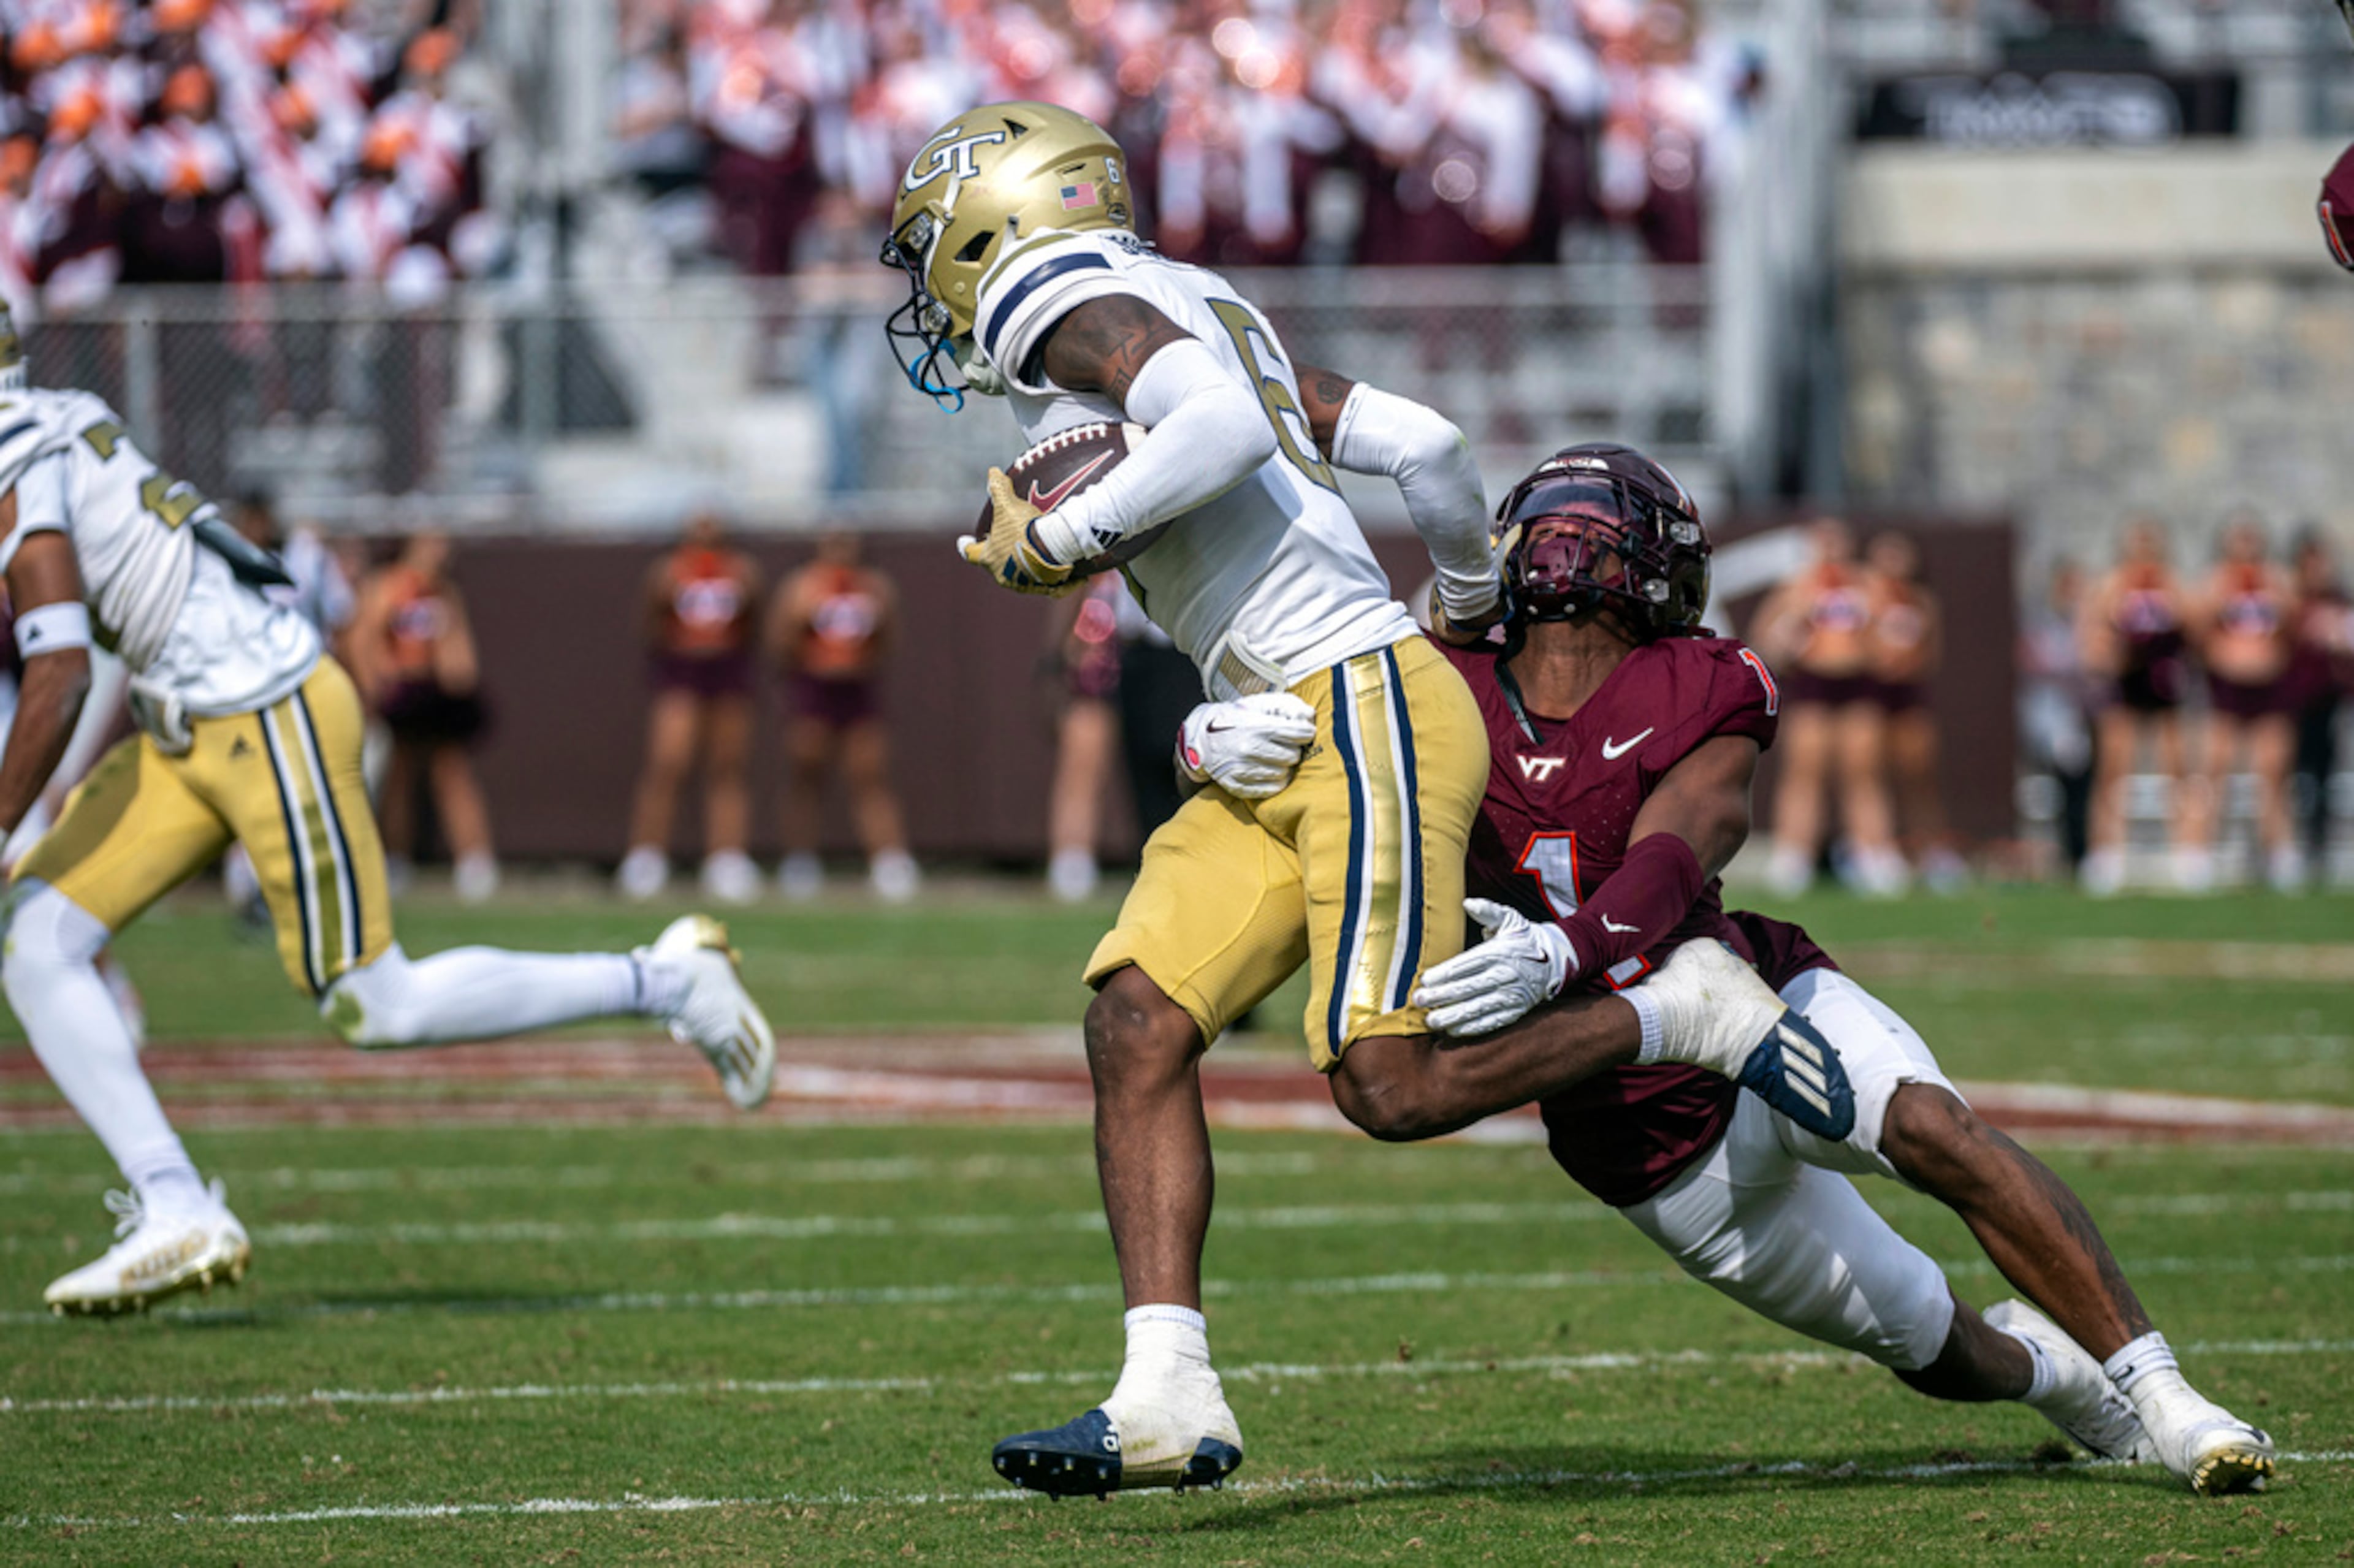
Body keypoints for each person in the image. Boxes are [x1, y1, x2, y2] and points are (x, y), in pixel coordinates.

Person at [882, 101, 1856, 1498]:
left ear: (1004, 221)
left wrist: (1067, 539)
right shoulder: (1199, 294)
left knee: (1385, 1089)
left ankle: (1672, 1008)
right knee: (1137, 1014)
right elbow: (1431, 446)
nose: (937, 283)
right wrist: (1458, 604)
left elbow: (1212, 426)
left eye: (939, 247)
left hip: (1351, 710)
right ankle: (1166, 1392)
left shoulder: (1053, 292)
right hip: (1300, 711)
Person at [1184, 441, 2276, 1497]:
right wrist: (1208, 737)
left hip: (1753, 997)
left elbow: (1681, 844)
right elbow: (1294, 734)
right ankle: (2066, 1384)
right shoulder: (1435, 686)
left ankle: (2173, 1401)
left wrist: (1569, 949)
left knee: (1935, 1129)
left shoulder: (1699, 679)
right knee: (1928, 1337)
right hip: (1643, 1138)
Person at [0, 312, 775, 1315]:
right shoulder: (51, 416)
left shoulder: (19, 448)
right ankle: (173, 1203)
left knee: (374, 1001)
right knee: (35, 933)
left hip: (260, 707)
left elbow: (57, 670)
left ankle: (668, 980)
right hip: (187, 719)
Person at [1748, 517, 1904, 897]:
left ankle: (1875, 854)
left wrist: (1872, 637)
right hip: (1813, 686)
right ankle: (1795, 855)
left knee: (1864, 772)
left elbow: (1896, 640)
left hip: (1858, 686)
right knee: (1804, 772)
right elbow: (1765, 640)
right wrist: (1795, 624)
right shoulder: (1797, 587)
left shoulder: (1869, 585)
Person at [223, 491, 356, 926]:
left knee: (305, 790)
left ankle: (298, 888)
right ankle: (248, 886)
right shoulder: (223, 561)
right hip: (246, 690)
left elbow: (340, 618)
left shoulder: (307, 557)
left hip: (302, 687)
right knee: (248, 786)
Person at [618, 513, 763, 904]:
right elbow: (651, 621)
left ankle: (727, 858)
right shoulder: (669, 571)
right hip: (682, 672)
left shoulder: (743, 571)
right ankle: (647, 856)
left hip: (728, 673)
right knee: (669, 762)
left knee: (728, 765)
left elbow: (754, 621)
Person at [347, 531, 499, 902]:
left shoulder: (443, 592)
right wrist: (376, 689)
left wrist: (461, 684)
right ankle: (394, 859)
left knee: (452, 774)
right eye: (434, 543)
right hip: (401, 695)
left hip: (434, 695)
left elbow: (456, 647)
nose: (442, 552)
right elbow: (364, 639)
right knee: (398, 778)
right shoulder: (388, 586)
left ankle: (475, 862)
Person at [766, 530, 917, 902]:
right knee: (807, 773)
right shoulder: (802, 587)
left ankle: (889, 860)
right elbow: (781, 641)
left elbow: (889, 638)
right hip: (814, 690)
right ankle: (799, 860)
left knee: (870, 774)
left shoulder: (874, 587)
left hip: (858, 691)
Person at [2185, 517, 2300, 892]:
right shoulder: (2215, 582)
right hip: (2226, 689)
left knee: (2273, 775)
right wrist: (2215, 601)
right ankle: (2197, 858)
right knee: (2212, 772)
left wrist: (2281, 598)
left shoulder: (2277, 581)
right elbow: (2195, 632)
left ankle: (2281, 858)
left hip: (2269, 690)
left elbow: (2295, 627)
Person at [2077, 519, 2192, 895]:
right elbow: (2093, 641)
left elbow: (2195, 628)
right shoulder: (2111, 585)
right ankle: (2106, 855)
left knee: (2176, 768)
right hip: (2124, 686)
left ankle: (2189, 855)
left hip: (2163, 685)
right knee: (2114, 770)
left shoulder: (2172, 585)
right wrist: (2118, 645)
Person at [1865, 530, 1962, 891]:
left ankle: (1933, 849)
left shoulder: (1922, 601)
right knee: (1871, 774)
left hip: (1909, 697)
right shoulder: (1865, 595)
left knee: (1920, 777)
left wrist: (1905, 665)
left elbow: (1930, 654)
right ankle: (1881, 851)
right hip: (1871, 697)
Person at [1045, 573, 1124, 903]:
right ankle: (1071, 860)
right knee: (1081, 770)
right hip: (1098, 667)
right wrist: (1060, 660)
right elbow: (1067, 611)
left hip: (1149, 663)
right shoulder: (1094, 566)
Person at [2018, 558, 2098, 876]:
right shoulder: (2041, 624)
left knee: (2085, 788)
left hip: (2087, 716)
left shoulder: (2091, 622)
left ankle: (2083, 853)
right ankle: (2067, 852)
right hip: (2053, 718)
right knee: (2062, 789)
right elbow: (2037, 665)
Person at [2286, 528, 2352, 880]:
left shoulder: (2339, 601)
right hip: (2291, 700)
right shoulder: (2289, 600)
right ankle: (2290, 847)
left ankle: (2318, 847)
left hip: (2328, 699)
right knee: (2294, 773)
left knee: (2324, 774)